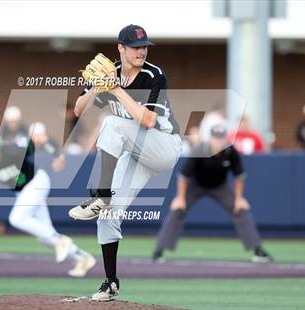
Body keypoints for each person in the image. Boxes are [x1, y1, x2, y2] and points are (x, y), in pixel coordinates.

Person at [68, 24, 182, 301]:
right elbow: (78, 111)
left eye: (144, 46)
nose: (141, 51)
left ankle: (102, 195)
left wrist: (116, 90)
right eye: (135, 46)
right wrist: (96, 87)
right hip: (136, 152)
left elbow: (148, 122)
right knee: (108, 216)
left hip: (163, 145)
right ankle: (110, 282)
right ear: (121, 48)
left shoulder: (154, 75)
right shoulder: (109, 74)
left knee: (112, 124)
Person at [0, 128, 96, 278]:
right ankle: (83, 257)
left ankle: (61, 241)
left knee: (16, 218)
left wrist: (57, 155)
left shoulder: (12, 151)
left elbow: (39, 139)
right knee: (45, 238)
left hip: (37, 182)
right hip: (24, 192)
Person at [152, 125, 272, 264]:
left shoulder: (230, 151)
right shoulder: (199, 150)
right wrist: (180, 198)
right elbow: (184, 177)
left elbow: (239, 176)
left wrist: (239, 198)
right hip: (196, 186)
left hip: (220, 186)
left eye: (221, 139)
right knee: (178, 209)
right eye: (215, 139)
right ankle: (159, 250)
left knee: (241, 209)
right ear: (210, 139)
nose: (218, 142)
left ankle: (258, 250)